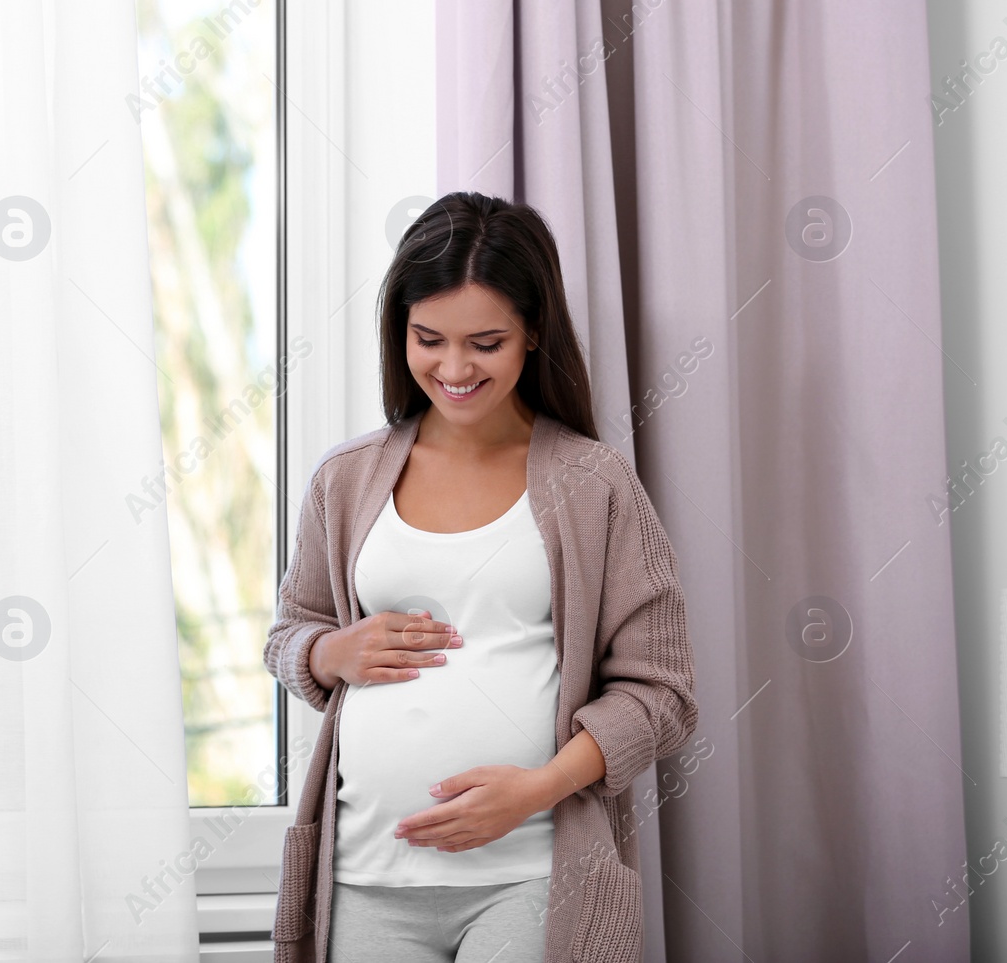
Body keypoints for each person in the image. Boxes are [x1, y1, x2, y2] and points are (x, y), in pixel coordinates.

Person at [263, 192, 698, 963]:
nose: (454, 368)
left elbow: (662, 693)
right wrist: (331, 654)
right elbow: (290, 633)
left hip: (533, 873)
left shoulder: (594, 485)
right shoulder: (346, 480)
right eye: (428, 339)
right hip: (366, 875)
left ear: (534, 332)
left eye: (485, 342)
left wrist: (537, 788)